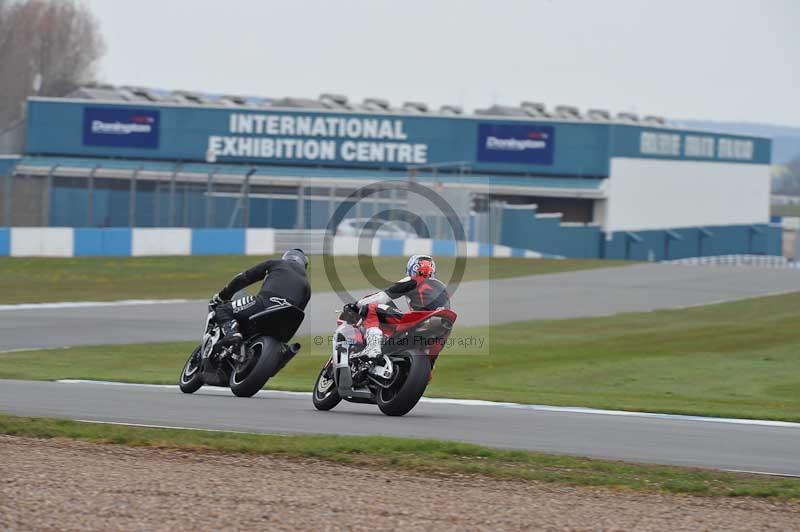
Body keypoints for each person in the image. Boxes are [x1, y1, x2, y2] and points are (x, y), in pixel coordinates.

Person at [350, 254, 449, 358]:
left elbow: (382, 298)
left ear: (412, 268)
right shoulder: (442, 286)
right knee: (427, 365)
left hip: (421, 319)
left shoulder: (413, 280)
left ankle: (372, 347)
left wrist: (357, 304)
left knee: (371, 308)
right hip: (444, 328)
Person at [211, 249, 311, 346]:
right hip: (287, 322)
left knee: (222, 309)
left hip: (265, 302)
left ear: (286, 257)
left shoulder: (276, 263)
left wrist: (222, 296)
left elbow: (244, 277)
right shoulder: (307, 285)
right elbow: (298, 312)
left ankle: (232, 333)